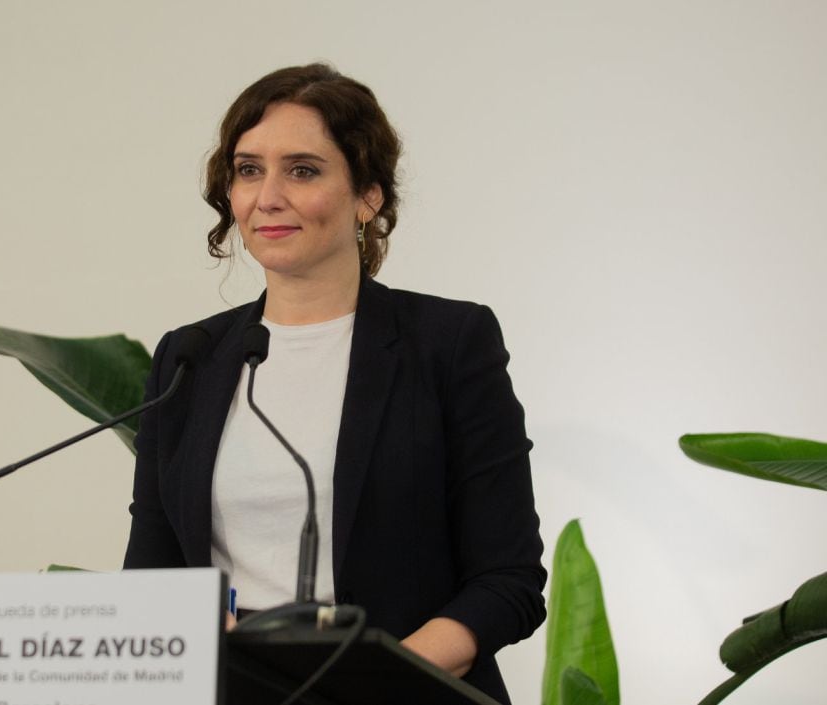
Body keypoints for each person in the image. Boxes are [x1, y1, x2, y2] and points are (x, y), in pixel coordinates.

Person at [123, 63, 545, 704]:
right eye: (247, 169)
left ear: (368, 195)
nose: (268, 197)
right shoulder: (191, 357)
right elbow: (153, 571)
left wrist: (374, 681)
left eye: (302, 170)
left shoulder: (449, 342)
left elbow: (507, 580)